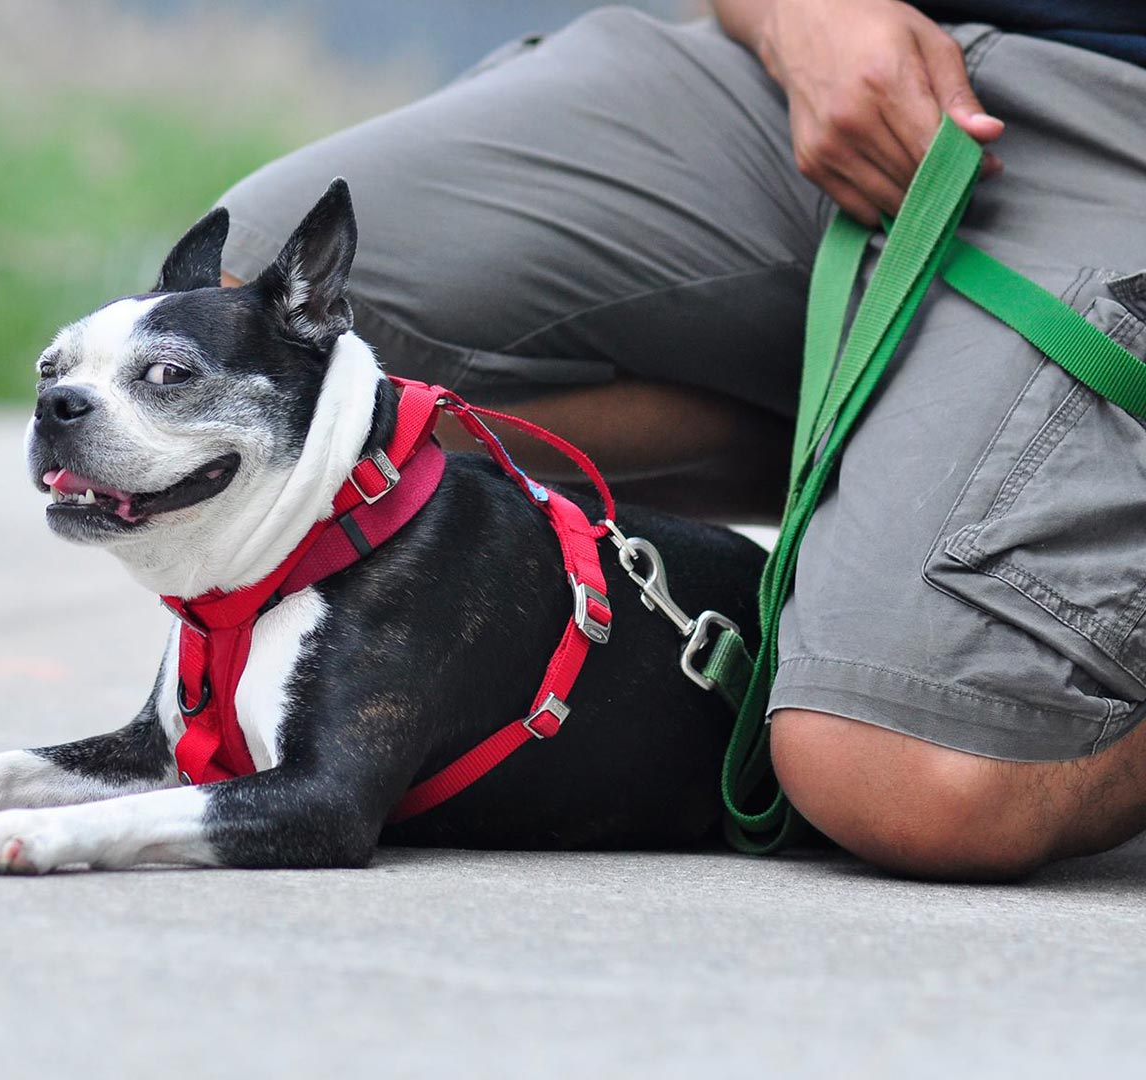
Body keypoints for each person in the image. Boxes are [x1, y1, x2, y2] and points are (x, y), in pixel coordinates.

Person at [213, 0, 1146, 880]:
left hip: (1118, 123)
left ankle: (938, 498)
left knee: (922, 779)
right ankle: (894, 463)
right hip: (823, 71)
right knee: (249, 320)